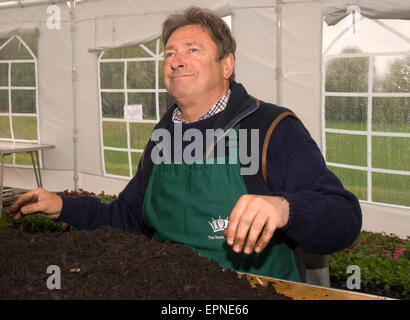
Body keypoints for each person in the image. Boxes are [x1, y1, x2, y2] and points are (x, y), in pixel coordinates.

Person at [7, 7, 362, 282]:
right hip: (170, 288)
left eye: (192, 50)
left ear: (227, 65)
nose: (176, 60)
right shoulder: (163, 137)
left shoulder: (272, 128)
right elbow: (130, 218)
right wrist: (63, 207)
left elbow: (344, 218)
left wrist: (287, 208)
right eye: (169, 53)